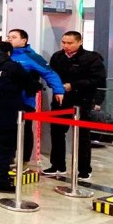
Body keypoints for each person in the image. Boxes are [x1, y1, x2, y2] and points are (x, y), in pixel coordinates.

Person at [0, 42, 42, 193]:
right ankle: (0, 182)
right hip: (8, 112)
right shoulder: (12, 67)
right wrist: (37, 85)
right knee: (5, 148)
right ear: (9, 53)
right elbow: (30, 85)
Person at [43, 31, 106, 180]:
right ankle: (57, 165)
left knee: (82, 136)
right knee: (57, 133)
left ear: (79, 42)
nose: (66, 46)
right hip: (60, 101)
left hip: (82, 101)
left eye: (70, 43)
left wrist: (74, 85)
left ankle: (84, 169)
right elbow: (51, 75)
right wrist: (57, 87)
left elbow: (98, 79)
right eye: (64, 42)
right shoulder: (57, 57)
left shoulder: (91, 58)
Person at [6, 29, 64, 163]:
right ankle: (7, 159)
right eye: (8, 37)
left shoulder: (32, 57)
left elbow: (49, 73)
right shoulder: (4, 55)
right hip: (6, 101)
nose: (10, 39)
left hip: (25, 101)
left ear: (23, 40)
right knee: (7, 131)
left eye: (13, 37)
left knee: (25, 130)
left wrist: (58, 90)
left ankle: (24, 160)